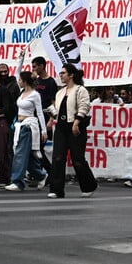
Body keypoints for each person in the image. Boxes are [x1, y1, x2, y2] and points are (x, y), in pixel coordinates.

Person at [48, 63, 97, 199]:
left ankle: (89, 185)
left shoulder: (80, 90)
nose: (61, 75)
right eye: (60, 73)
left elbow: (84, 106)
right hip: (61, 128)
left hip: (76, 128)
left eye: (63, 73)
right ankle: (56, 189)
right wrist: (51, 119)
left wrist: (76, 122)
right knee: (58, 157)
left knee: (77, 159)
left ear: (71, 75)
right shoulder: (60, 92)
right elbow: (57, 109)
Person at [5, 71, 48, 192]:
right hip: (19, 125)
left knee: (19, 154)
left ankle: (18, 182)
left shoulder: (35, 95)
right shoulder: (22, 92)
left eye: (20, 80)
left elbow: (39, 112)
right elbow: (18, 71)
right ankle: (41, 175)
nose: (18, 81)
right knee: (26, 156)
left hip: (28, 126)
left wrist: (43, 130)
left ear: (24, 81)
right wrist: (21, 58)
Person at [31, 56, 58, 179]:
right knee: (34, 148)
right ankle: (40, 174)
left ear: (42, 66)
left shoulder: (51, 82)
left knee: (39, 148)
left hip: (45, 117)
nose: (34, 69)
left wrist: (51, 120)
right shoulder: (36, 82)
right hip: (34, 118)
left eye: (35, 66)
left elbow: (53, 102)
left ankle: (50, 173)